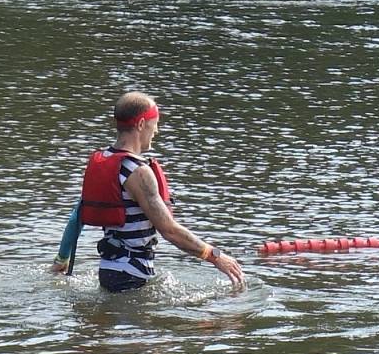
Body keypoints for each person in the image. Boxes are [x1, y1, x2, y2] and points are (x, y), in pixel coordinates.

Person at [51, 91, 245, 292]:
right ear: (142, 124)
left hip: (108, 270)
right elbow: (168, 229)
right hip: (131, 275)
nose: (157, 131)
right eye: (155, 124)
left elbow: (77, 218)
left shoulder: (106, 162)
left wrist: (62, 259)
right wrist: (214, 255)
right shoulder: (137, 172)